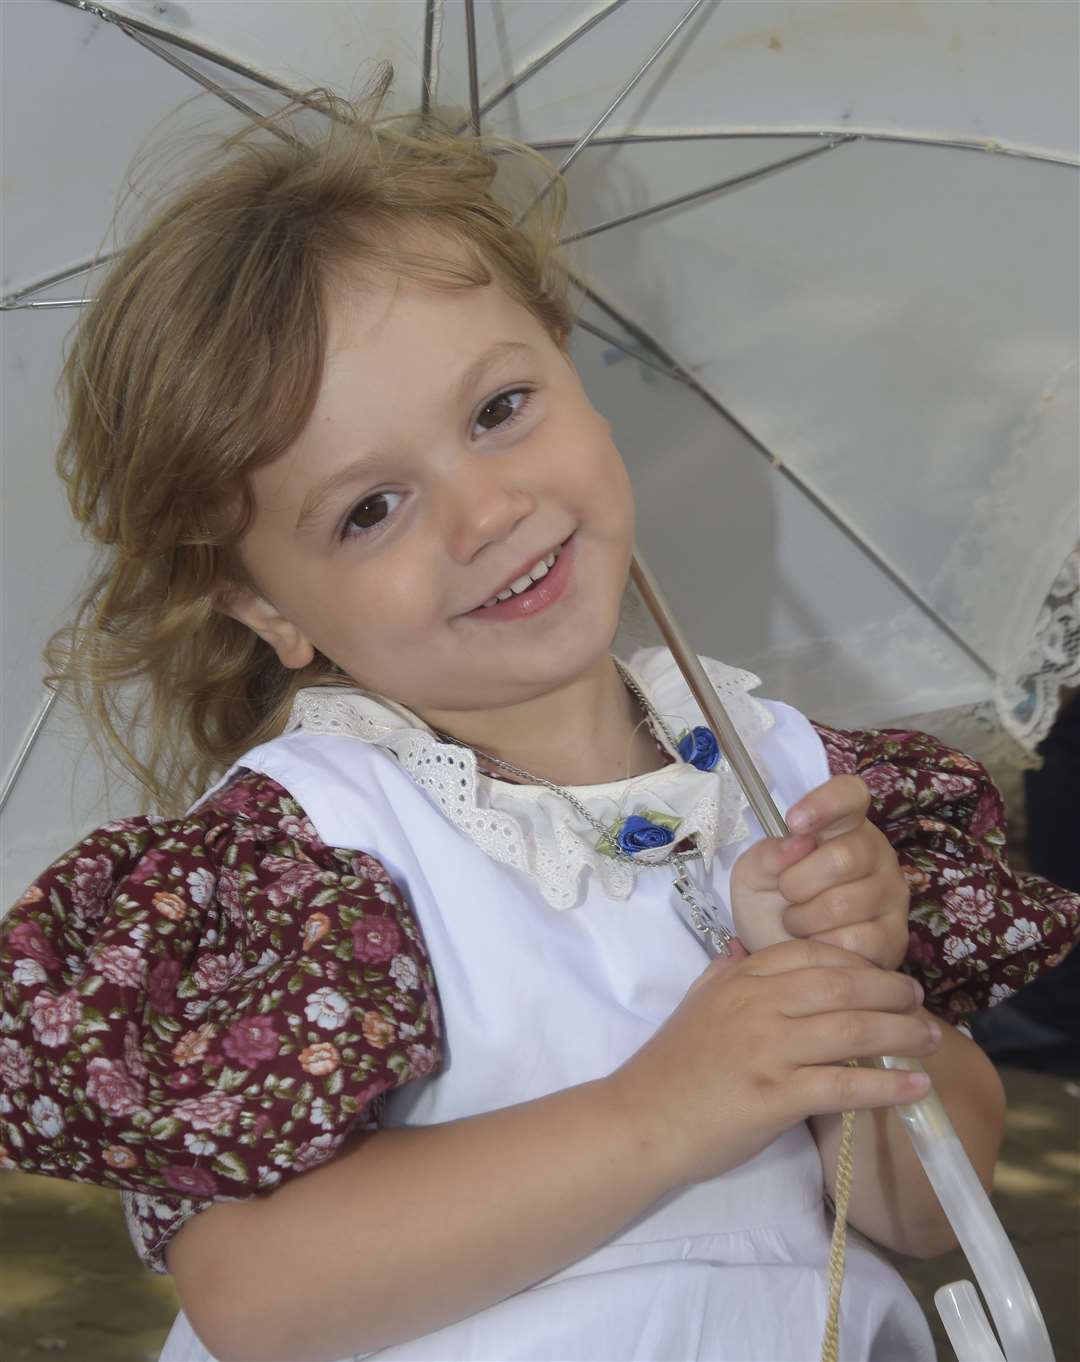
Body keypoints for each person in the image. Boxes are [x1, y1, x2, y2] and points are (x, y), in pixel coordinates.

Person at [2, 83, 1077, 1362]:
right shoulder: (320, 855)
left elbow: (915, 1209)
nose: (487, 512)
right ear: (261, 606)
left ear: (574, 364)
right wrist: (663, 1110)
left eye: (500, 410)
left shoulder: (781, 770)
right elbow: (255, 1296)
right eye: (370, 509)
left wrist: (858, 986)